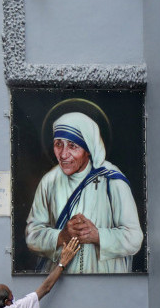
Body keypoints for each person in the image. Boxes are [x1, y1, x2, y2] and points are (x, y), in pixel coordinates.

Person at [25, 111, 143, 273]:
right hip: (60, 282)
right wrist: (61, 236)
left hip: (105, 281)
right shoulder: (49, 182)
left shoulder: (112, 180)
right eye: (58, 144)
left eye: (73, 146)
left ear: (88, 149)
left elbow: (135, 238)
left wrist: (97, 235)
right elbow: (32, 236)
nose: (63, 154)